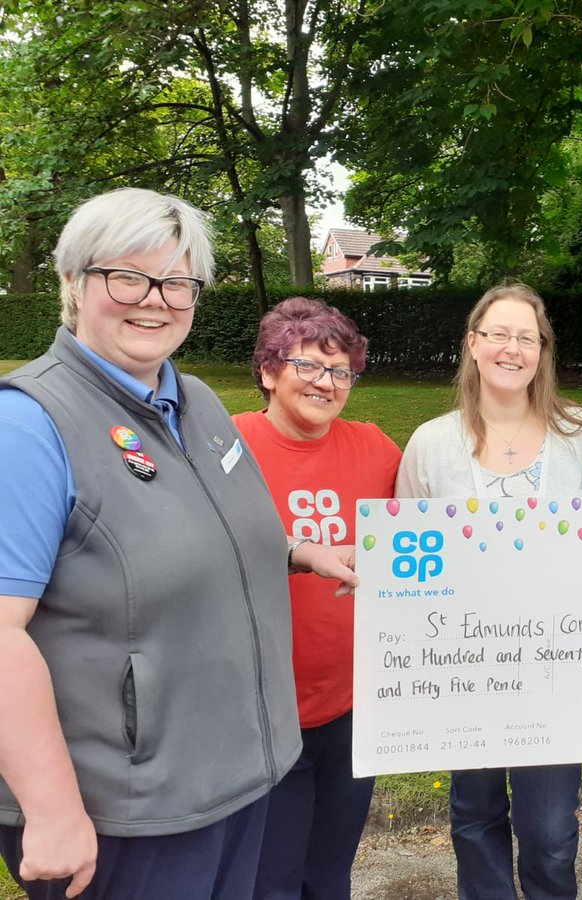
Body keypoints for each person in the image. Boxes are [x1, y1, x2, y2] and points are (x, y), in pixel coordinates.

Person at [0, 188, 355, 900]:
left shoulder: (195, 398)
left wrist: (298, 554)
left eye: (177, 282)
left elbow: (205, 528)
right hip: (130, 816)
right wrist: (52, 811)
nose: (154, 300)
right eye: (125, 276)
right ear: (74, 282)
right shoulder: (29, 425)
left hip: (240, 779)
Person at [395, 281, 582, 900]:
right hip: (464, 665)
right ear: (473, 344)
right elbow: (407, 559)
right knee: (475, 815)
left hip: (556, 667)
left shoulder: (581, 435)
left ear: (543, 351)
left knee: (551, 829)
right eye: (499, 335)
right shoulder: (432, 444)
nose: (513, 349)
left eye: (527, 338)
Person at [233, 297, 402, 900]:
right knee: (270, 879)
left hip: (355, 706)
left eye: (340, 371)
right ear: (269, 372)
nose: (325, 383)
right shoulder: (229, 447)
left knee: (330, 875)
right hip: (265, 710)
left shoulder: (377, 449)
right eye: (306, 365)